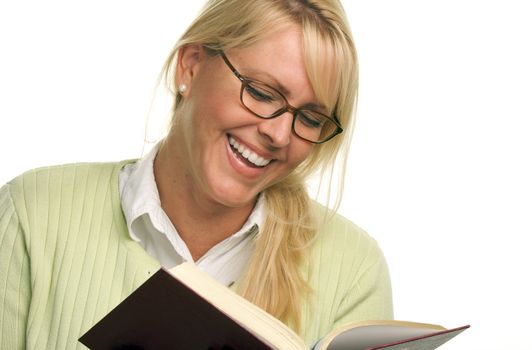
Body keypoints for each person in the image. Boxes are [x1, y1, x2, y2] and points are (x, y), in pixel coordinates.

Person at [0, 0, 393, 348]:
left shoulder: (354, 271)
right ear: (190, 66)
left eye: (309, 117)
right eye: (260, 93)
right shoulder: (32, 215)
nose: (277, 134)